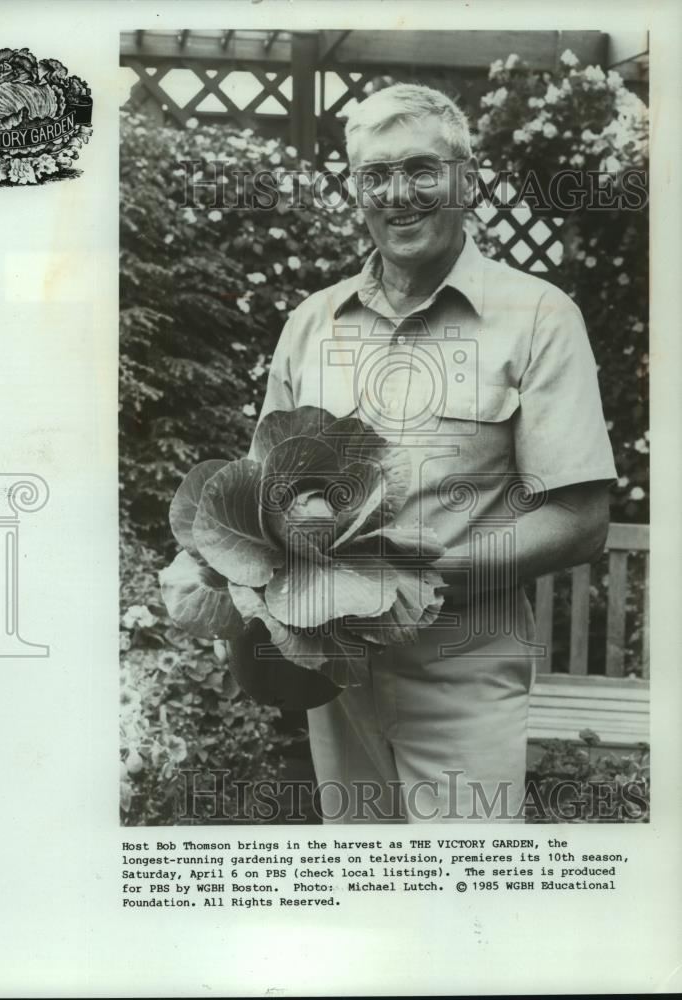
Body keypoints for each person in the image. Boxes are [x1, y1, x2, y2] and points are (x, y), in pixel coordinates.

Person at [219, 83, 617, 823]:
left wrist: (420, 585)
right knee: (362, 891)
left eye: (421, 170)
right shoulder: (312, 323)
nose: (397, 194)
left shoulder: (537, 316)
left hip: (461, 665)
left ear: (466, 181)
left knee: (462, 900)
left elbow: (579, 516)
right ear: (355, 189)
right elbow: (258, 495)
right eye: (375, 175)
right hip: (332, 669)